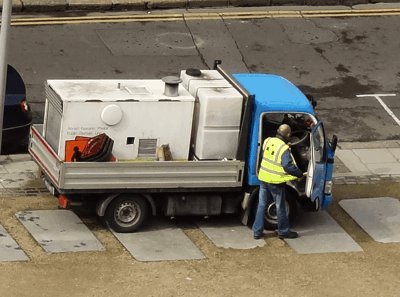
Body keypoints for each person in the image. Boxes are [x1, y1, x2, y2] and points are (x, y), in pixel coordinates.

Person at [252, 124, 305, 240]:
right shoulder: (283, 149)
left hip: (263, 178)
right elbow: (287, 166)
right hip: (275, 182)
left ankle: (257, 231)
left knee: (261, 205)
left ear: (277, 131)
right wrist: (299, 174)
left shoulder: (268, 141)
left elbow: (264, 156)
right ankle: (283, 231)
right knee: (280, 206)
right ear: (288, 135)